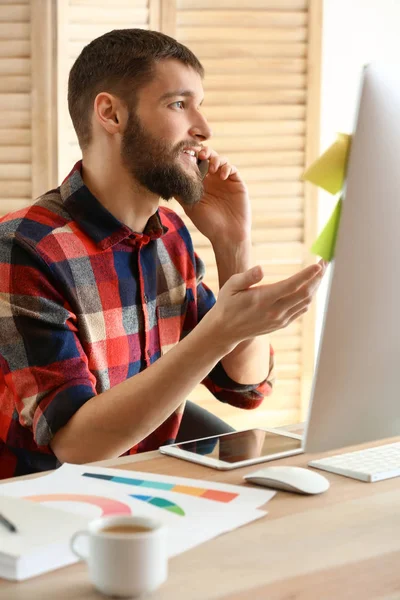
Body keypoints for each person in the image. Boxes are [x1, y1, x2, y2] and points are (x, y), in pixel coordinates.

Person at [0, 29, 325, 479]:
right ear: (110, 113)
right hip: (45, 513)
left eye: (200, 104)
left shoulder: (169, 235)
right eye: (178, 104)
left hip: (149, 491)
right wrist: (216, 333)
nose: (204, 129)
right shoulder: (24, 246)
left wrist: (232, 242)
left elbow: (245, 384)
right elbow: (76, 442)